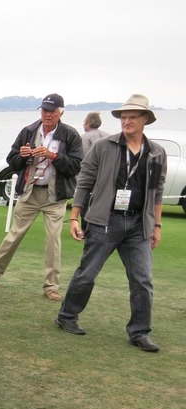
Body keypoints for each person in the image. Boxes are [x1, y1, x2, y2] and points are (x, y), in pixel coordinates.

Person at [55, 94, 166, 352]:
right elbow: (85, 181)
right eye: (123, 117)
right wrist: (74, 216)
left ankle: (139, 332)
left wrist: (157, 226)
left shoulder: (157, 153)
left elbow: (157, 192)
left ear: (145, 119)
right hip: (105, 221)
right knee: (87, 274)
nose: (126, 121)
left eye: (132, 117)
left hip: (139, 225)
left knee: (142, 280)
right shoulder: (103, 146)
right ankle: (66, 317)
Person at [0, 94, 83, 301]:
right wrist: (24, 155)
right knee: (14, 235)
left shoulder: (70, 135)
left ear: (60, 113)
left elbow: (75, 165)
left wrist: (52, 156)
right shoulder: (28, 131)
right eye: (44, 110)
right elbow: (12, 161)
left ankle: (51, 286)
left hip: (55, 196)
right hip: (29, 193)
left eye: (52, 111)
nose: (47, 114)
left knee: (53, 241)